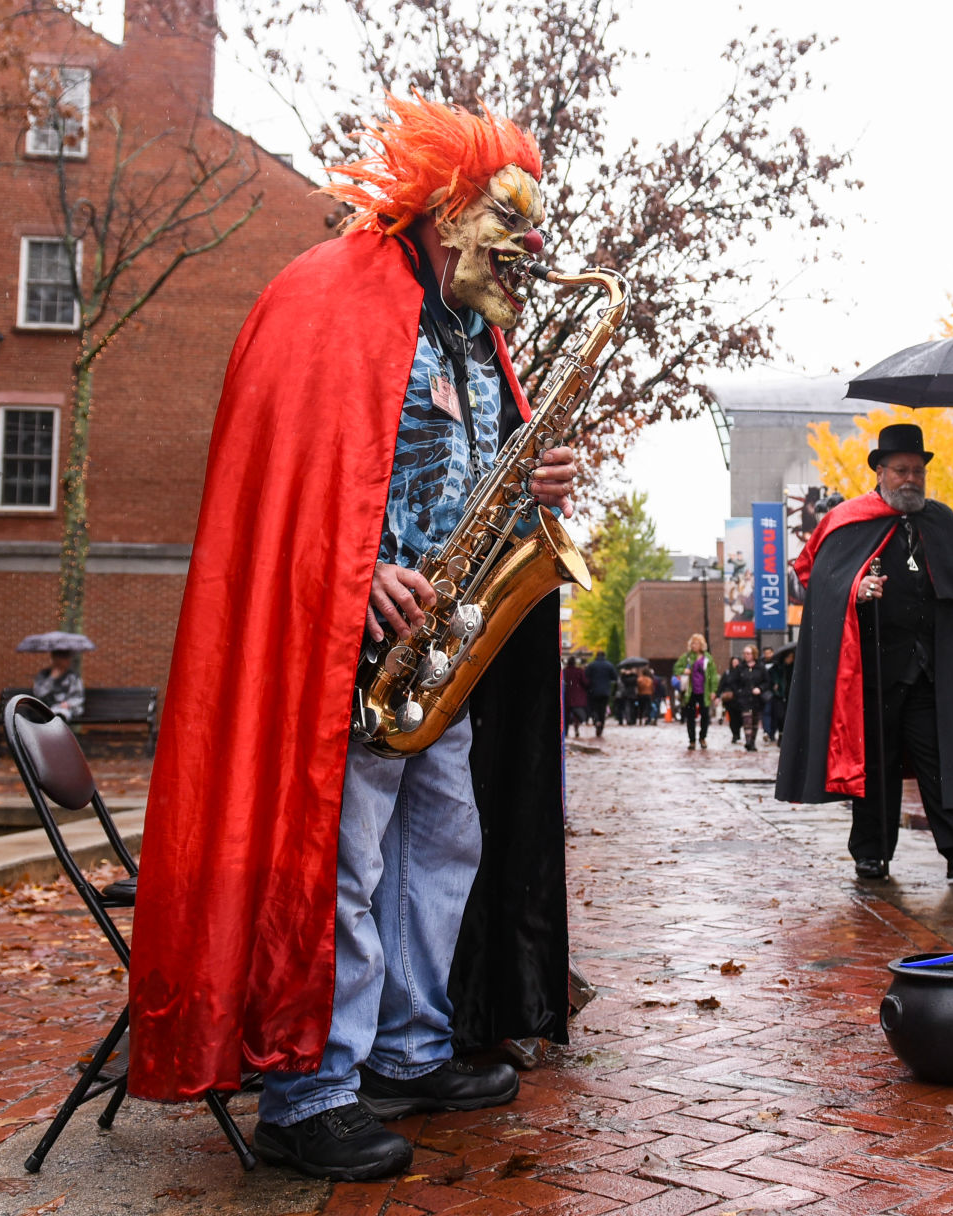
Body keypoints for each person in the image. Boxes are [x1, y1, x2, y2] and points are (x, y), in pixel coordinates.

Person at [126, 98, 577, 1182]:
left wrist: (530, 487)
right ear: (443, 207)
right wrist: (351, 570)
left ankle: (409, 1047)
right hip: (346, 643)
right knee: (338, 862)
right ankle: (310, 1090)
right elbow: (284, 487)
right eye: (507, 219)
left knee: (440, 848)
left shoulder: (472, 334)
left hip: (444, 649)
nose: (528, 247)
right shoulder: (330, 295)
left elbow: (456, 479)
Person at [777, 423, 953, 885]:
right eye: (901, 470)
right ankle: (872, 852)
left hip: (928, 669)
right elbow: (819, 581)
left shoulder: (940, 520)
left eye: (918, 471)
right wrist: (856, 588)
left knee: (936, 759)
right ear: (880, 471)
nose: (911, 479)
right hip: (872, 668)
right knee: (875, 762)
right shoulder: (848, 519)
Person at [674, 634, 717, 750]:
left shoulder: (708, 658)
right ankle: (692, 740)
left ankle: (702, 737)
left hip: (704, 691)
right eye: (692, 643)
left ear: (701, 645)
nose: (694, 646)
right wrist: (684, 670)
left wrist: (713, 690)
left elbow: (713, 675)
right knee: (690, 716)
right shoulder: (687, 657)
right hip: (690, 691)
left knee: (705, 716)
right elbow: (676, 668)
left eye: (697, 643)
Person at [729, 643, 766, 751]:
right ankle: (748, 741)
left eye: (748, 653)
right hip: (744, 699)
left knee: (755, 721)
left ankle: (752, 741)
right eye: (745, 653)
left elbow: (767, 682)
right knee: (747, 720)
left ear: (753, 654)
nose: (746, 655)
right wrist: (739, 692)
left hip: (757, 699)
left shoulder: (760, 668)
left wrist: (760, 689)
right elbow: (733, 682)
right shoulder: (740, 668)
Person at [32, 649, 85, 722]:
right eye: (64, 658)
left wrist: (68, 704)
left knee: (61, 714)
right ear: (55, 659)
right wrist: (52, 678)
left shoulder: (73, 676)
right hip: (47, 709)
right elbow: (39, 694)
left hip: (67, 710)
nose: (68, 661)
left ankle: (58, 720)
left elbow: (78, 696)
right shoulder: (44, 675)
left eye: (68, 658)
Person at [584, 650, 616, 737]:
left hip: (593, 691)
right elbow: (614, 677)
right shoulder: (609, 665)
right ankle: (601, 726)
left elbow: (585, 676)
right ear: (604, 656)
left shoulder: (591, 665)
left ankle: (596, 721)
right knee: (602, 709)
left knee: (594, 708)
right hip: (605, 692)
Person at [717, 656, 745, 744]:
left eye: (737, 662)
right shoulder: (727, 673)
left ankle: (738, 731)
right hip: (730, 699)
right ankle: (735, 734)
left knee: (740, 718)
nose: (735, 664)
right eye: (734, 662)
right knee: (732, 718)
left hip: (740, 698)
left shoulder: (743, 672)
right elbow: (721, 685)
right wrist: (718, 695)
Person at [562, 656, 588, 738]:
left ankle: (565, 732)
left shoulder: (564, 671)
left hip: (566, 696)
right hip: (577, 697)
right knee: (577, 715)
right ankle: (576, 728)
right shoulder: (579, 671)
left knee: (566, 715)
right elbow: (585, 682)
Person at [758, 645, 779, 741]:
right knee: (766, 712)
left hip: (776, 693)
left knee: (775, 714)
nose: (767, 655)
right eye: (766, 653)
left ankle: (772, 733)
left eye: (769, 653)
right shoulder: (760, 664)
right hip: (766, 692)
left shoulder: (777, 664)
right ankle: (767, 731)